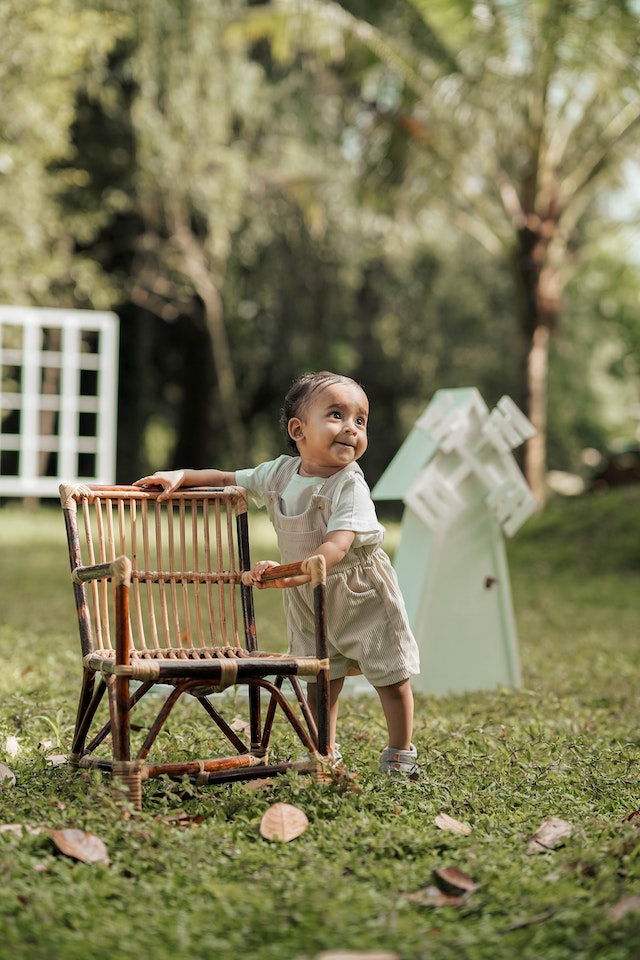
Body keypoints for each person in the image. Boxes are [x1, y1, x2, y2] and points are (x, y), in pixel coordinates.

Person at [134, 372, 420, 777]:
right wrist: (182, 476)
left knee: (389, 672)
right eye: (337, 415)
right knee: (321, 677)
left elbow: (337, 545)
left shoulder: (349, 485)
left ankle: (399, 752)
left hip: (358, 590)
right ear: (298, 430)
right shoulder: (280, 474)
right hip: (306, 594)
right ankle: (325, 750)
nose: (352, 429)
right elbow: (226, 479)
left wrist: (296, 571)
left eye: (361, 421)